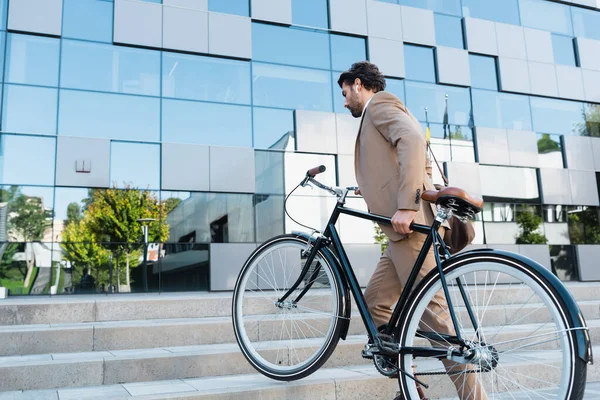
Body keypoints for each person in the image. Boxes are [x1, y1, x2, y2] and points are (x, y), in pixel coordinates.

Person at [337, 61, 487, 400]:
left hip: (410, 227)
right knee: (376, 302)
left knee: (435, 317)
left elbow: (412, 140)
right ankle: (411, 390)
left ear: (359, 84)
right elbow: (412, 161)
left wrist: (406, 203)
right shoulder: (383, 113)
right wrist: (375, 188)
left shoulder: (381, 105)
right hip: (398, 234)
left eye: (345, 94)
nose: (345, 102)